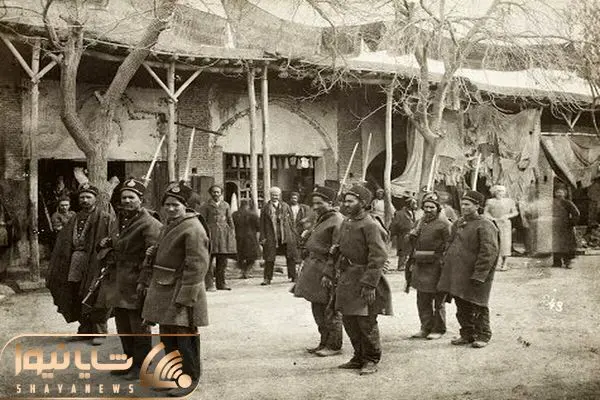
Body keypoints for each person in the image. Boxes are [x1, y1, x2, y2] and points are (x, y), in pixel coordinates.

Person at [140, 181, 209, 397]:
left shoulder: (193, 228)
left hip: (181, 290)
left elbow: (197, 265)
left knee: (184, 337)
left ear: (185, 206)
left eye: (175, 205)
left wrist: (186, 296)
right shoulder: (170, 224)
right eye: (167, 204)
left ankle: (189, 378)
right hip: (164, 289)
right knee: (167, 336)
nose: (170, 208)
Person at [324, 184, 393, 375]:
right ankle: (358, 356)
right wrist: (330, 271)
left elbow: (378, 256)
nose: (346, 204)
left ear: (363, 203)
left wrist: (370, 284)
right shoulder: (347, 222)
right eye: (345, 201)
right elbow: (337, 250)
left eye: (351, 201)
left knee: (365, 321)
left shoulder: (370, 224)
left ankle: (371, 359)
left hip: (364, 279)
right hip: (347, 278)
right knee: (349, 319)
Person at [98, 178, 162, 380]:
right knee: (123, 325)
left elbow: (152, 257)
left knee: (138, 327)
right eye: (124, 197)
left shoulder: (150, 223)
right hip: (119, 282)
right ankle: (130, 362)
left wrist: (145, 283)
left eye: (131, 197)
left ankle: (142, 366)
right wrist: (108, 244)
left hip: (136, 282)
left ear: (140, 199)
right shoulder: (121, 220)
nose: (126, 201)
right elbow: (119, 242)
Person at [46, 183, 113, 345]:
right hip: (75, 261)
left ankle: (99, 331)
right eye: (82, 197)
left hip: (95, 261)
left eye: (88, 197)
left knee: (95, 294)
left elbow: (111, 240)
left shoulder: (104, 217)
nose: (85, 200)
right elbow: (64, 241)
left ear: (95, 199)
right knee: (77, 293)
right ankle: (84, 329)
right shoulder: (74, 218)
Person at [437, 190, 499, 349]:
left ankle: (483, 334)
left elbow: (489, 252)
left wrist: (479, 275)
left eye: (467, 204)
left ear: (477, 206)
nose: (464, 207)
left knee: (477, 304)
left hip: (475, 274)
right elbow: (450, 243)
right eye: (462, 204)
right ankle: (467, 333)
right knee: (461, 304)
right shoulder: (458, 223)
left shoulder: (485, 225)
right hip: (458, 273)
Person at [293, 186, 344, 358]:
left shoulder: (337, 220)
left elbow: (337, 250)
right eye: (313, 203)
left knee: (330, 309)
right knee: (317, 306)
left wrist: (329, 273)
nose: (315, 207)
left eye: (319, 203)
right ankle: (324, 341)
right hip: (314, 268)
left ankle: (334, 345)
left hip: (326, 270)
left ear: (330, 203)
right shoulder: (322, 219)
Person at [407, 192, 451, 340]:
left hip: (436, 266)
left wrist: (443, 262)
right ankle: (425, 327)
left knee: (438, 300)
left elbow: (449, 245)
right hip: (420, 264)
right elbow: (412, 243)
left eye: (432, 207)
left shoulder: (444, 224)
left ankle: (438, 329)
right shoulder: (419, 222)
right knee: (422, 298)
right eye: (426, 207)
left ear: (438, 208)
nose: (428, 210)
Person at [198, 185, 237, 291]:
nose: (216, 194)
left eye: (218, 192)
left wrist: (232, 233)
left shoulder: (226, 205)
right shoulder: (205, 206)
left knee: (222, 261)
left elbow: (230, 220)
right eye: (214, 192)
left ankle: (221, 284)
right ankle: (209, 284)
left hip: (223, 236)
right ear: (210, 193)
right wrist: (203, 235)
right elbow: (202, 221)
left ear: (221, 193)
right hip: (210, 235)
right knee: (208, 261)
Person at [260, 186, 298, 285]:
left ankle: (293, 276)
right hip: (271, 236)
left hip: (285, 236)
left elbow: (292, 221)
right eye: (273, 195)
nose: (275, 197)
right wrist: (262, 237)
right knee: (269, 258)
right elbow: (262, 224)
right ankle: (267, 278)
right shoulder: (265, 208)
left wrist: (293, 234)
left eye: (276, 195)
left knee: (290, 257)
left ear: (279, 195)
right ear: (270, 195)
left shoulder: (285, 206)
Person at [484, 185, 518, 271]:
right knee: (495, 242)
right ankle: (497, 263)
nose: (500, 193)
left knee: (506, 243)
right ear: (494, 192)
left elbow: (515, 212)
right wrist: (492, 218)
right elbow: (486, 212)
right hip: (494, 223)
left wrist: (507, 216)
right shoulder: (490, 201)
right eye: (498, 191)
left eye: (502, 191)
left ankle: (505, 263)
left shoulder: (509, 201)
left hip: (505, 223)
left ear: (505, 192)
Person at [552, 187, 580, 268]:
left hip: (566, 227)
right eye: (557, 192)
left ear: (564, 194)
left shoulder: (568, 203)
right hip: (555, 227)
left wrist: (571, 223)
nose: (559, 194)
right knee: (555, 244)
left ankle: (568, 262)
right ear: (554, 194)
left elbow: (576, 213)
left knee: (567, 245)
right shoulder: (552, 203)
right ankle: (557, 262)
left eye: (561, 192)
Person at [232, 199, 260, 279]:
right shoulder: (253, 214)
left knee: (240, 256)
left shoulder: (235, 214)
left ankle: (243, 271)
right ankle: (246, 271)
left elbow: (232, 226)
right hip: (251, 238)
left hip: (239, 238)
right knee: (252, 257)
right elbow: (258, 227)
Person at [390, 197, 417, 271]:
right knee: (402, 250)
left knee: (410, 250)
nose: (416, 205)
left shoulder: (414, 212)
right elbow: (395, 224)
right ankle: (400, 265)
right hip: (402, 234)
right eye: (414, 203)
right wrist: (393, 233)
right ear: (409, 204)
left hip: (411, 234)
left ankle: (406, 265)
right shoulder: (399, 213)